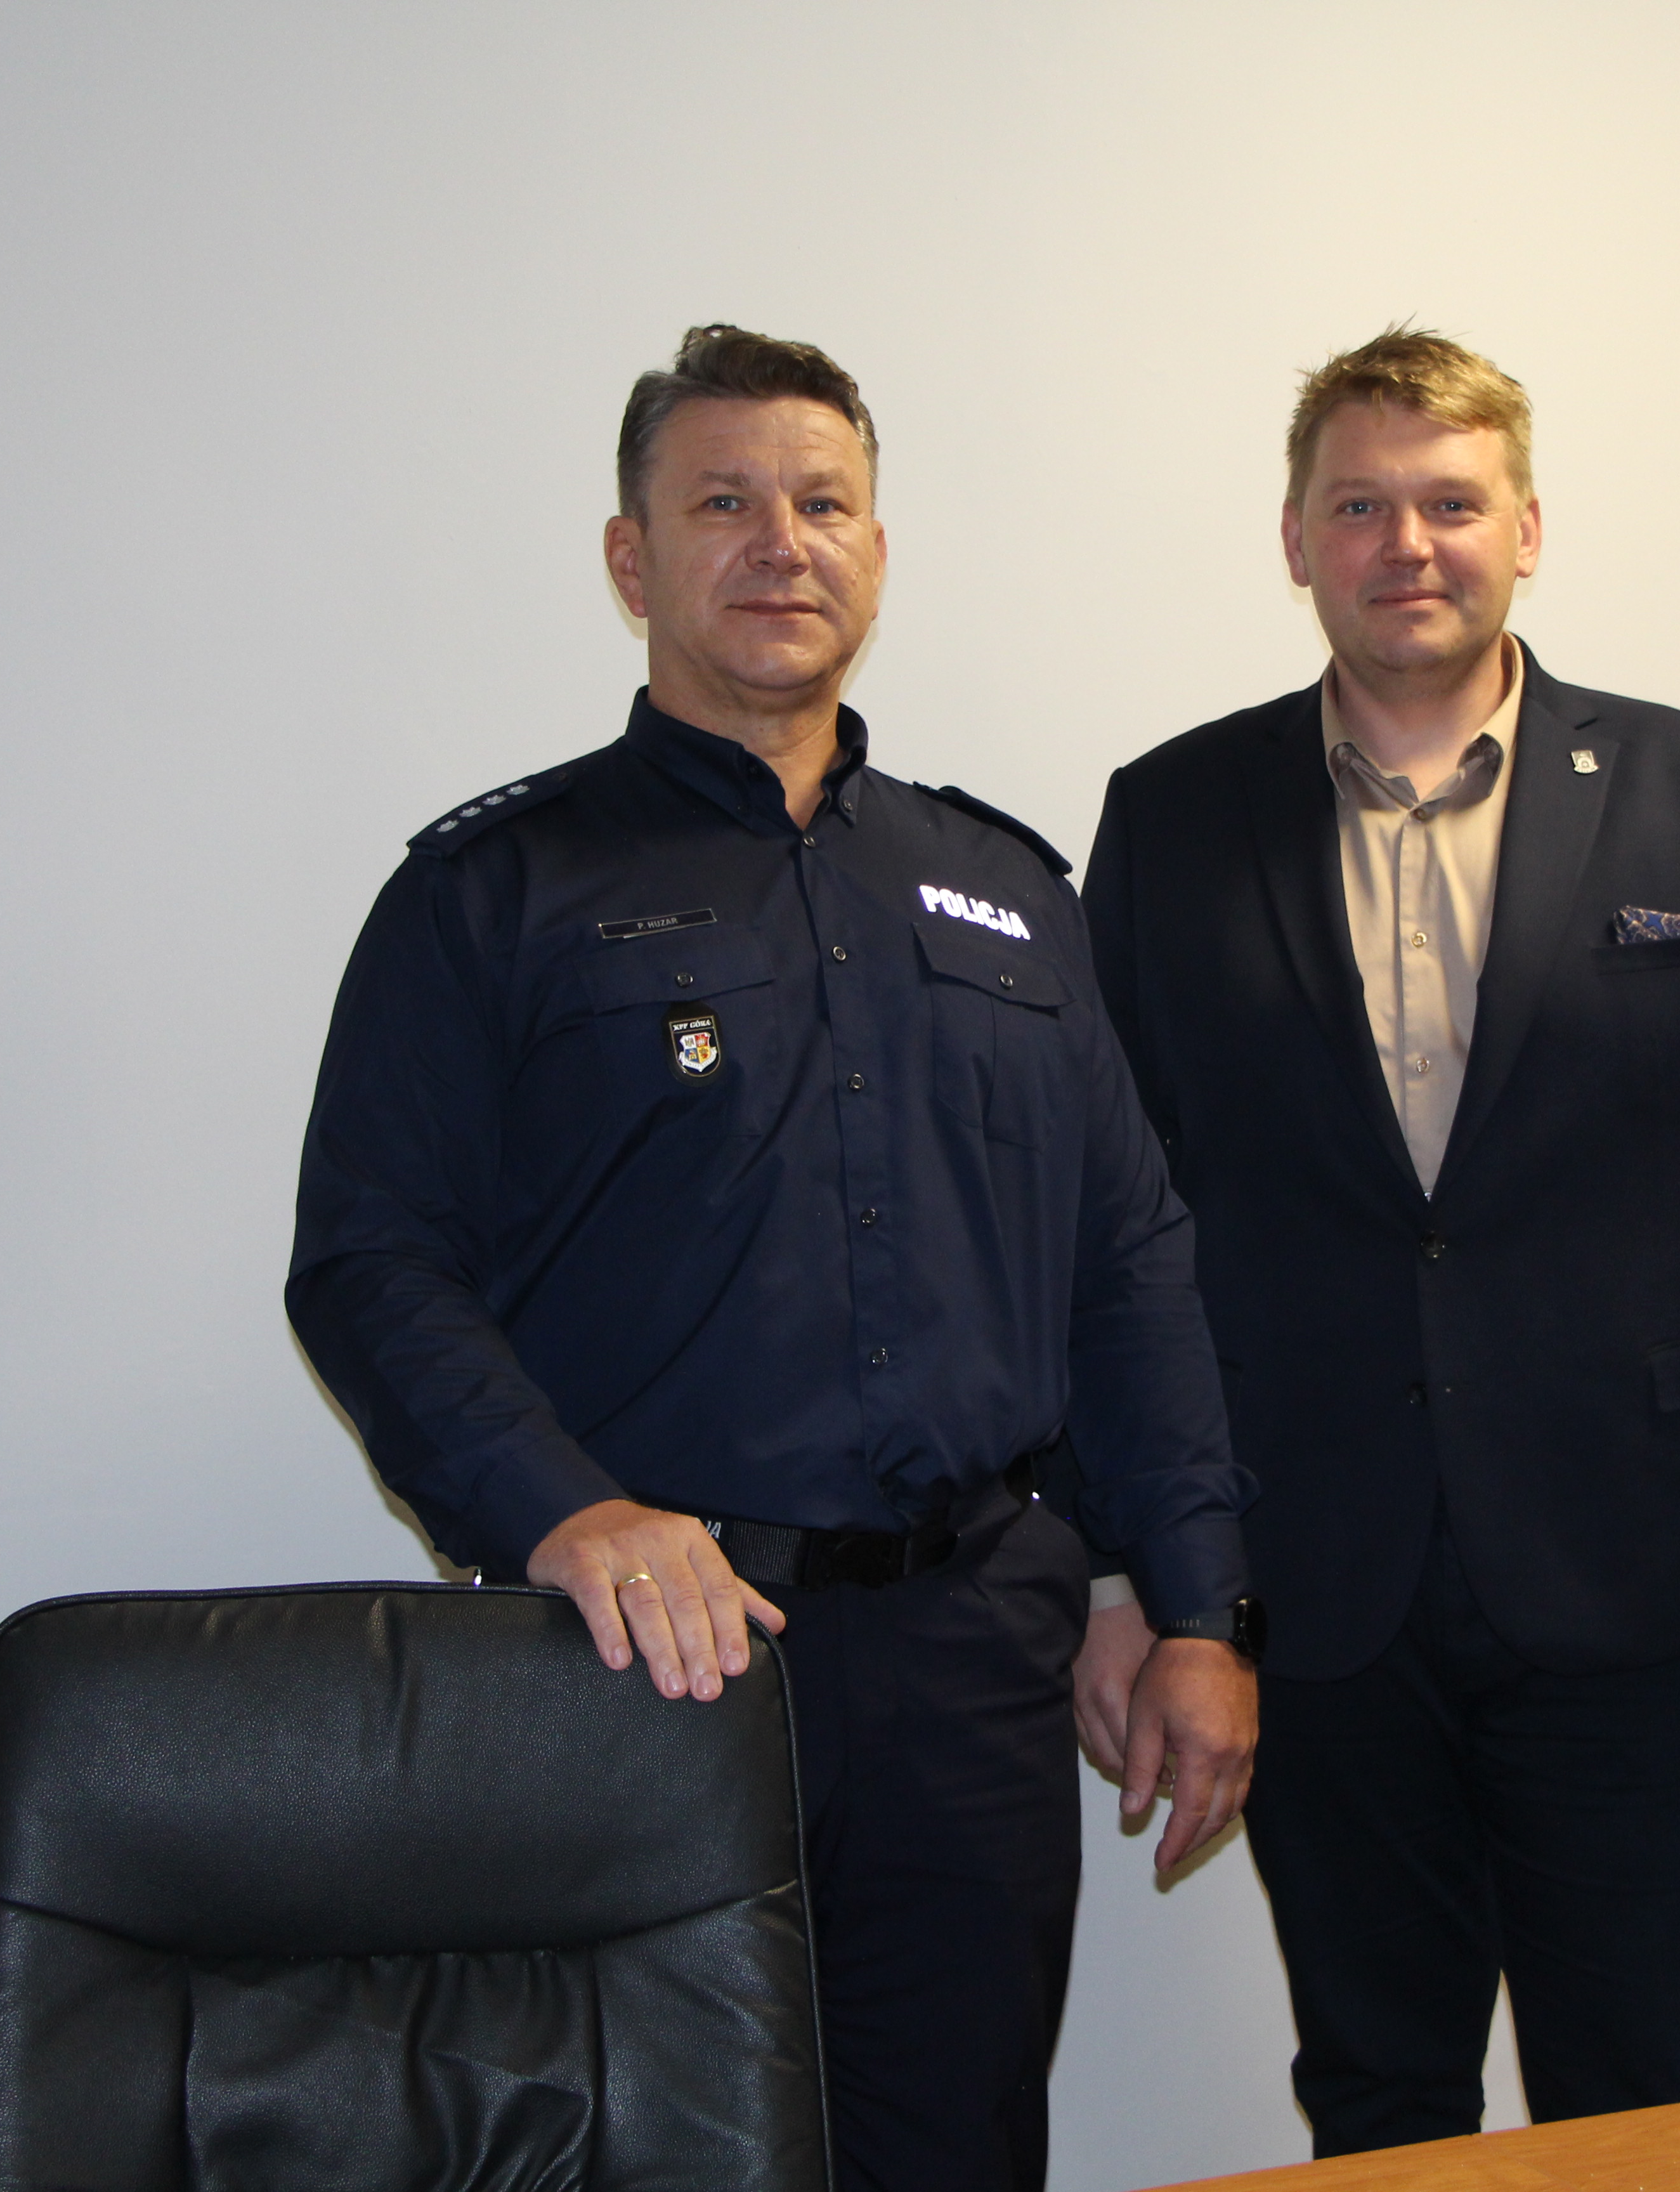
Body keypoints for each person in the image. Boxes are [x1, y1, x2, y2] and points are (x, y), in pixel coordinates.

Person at [287, 323, 1260, 2192]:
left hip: (971, 1662)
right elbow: (371, 1263)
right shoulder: (493, 893)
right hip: (644, 1661)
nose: (779, 543)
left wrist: (1189, 1599)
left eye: (822, 504)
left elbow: (1126, 1265)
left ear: (877, 553)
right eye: (722, 503)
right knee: (648, 2157)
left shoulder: (1005, 894)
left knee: (953, 2152)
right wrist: (566, 1514)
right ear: (631, 559)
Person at [1074, 328, 1680, 2154]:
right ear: (1296, 540)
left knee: (1639, 2089)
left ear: (1527, 530)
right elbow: (1105, 1215)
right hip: (1315, 1576)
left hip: (1630, 1562)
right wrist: (1121, 1571)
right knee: (1378, 2091)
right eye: (1360, 507)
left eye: (1452, 503)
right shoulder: (1172, 818)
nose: (1409, 543)